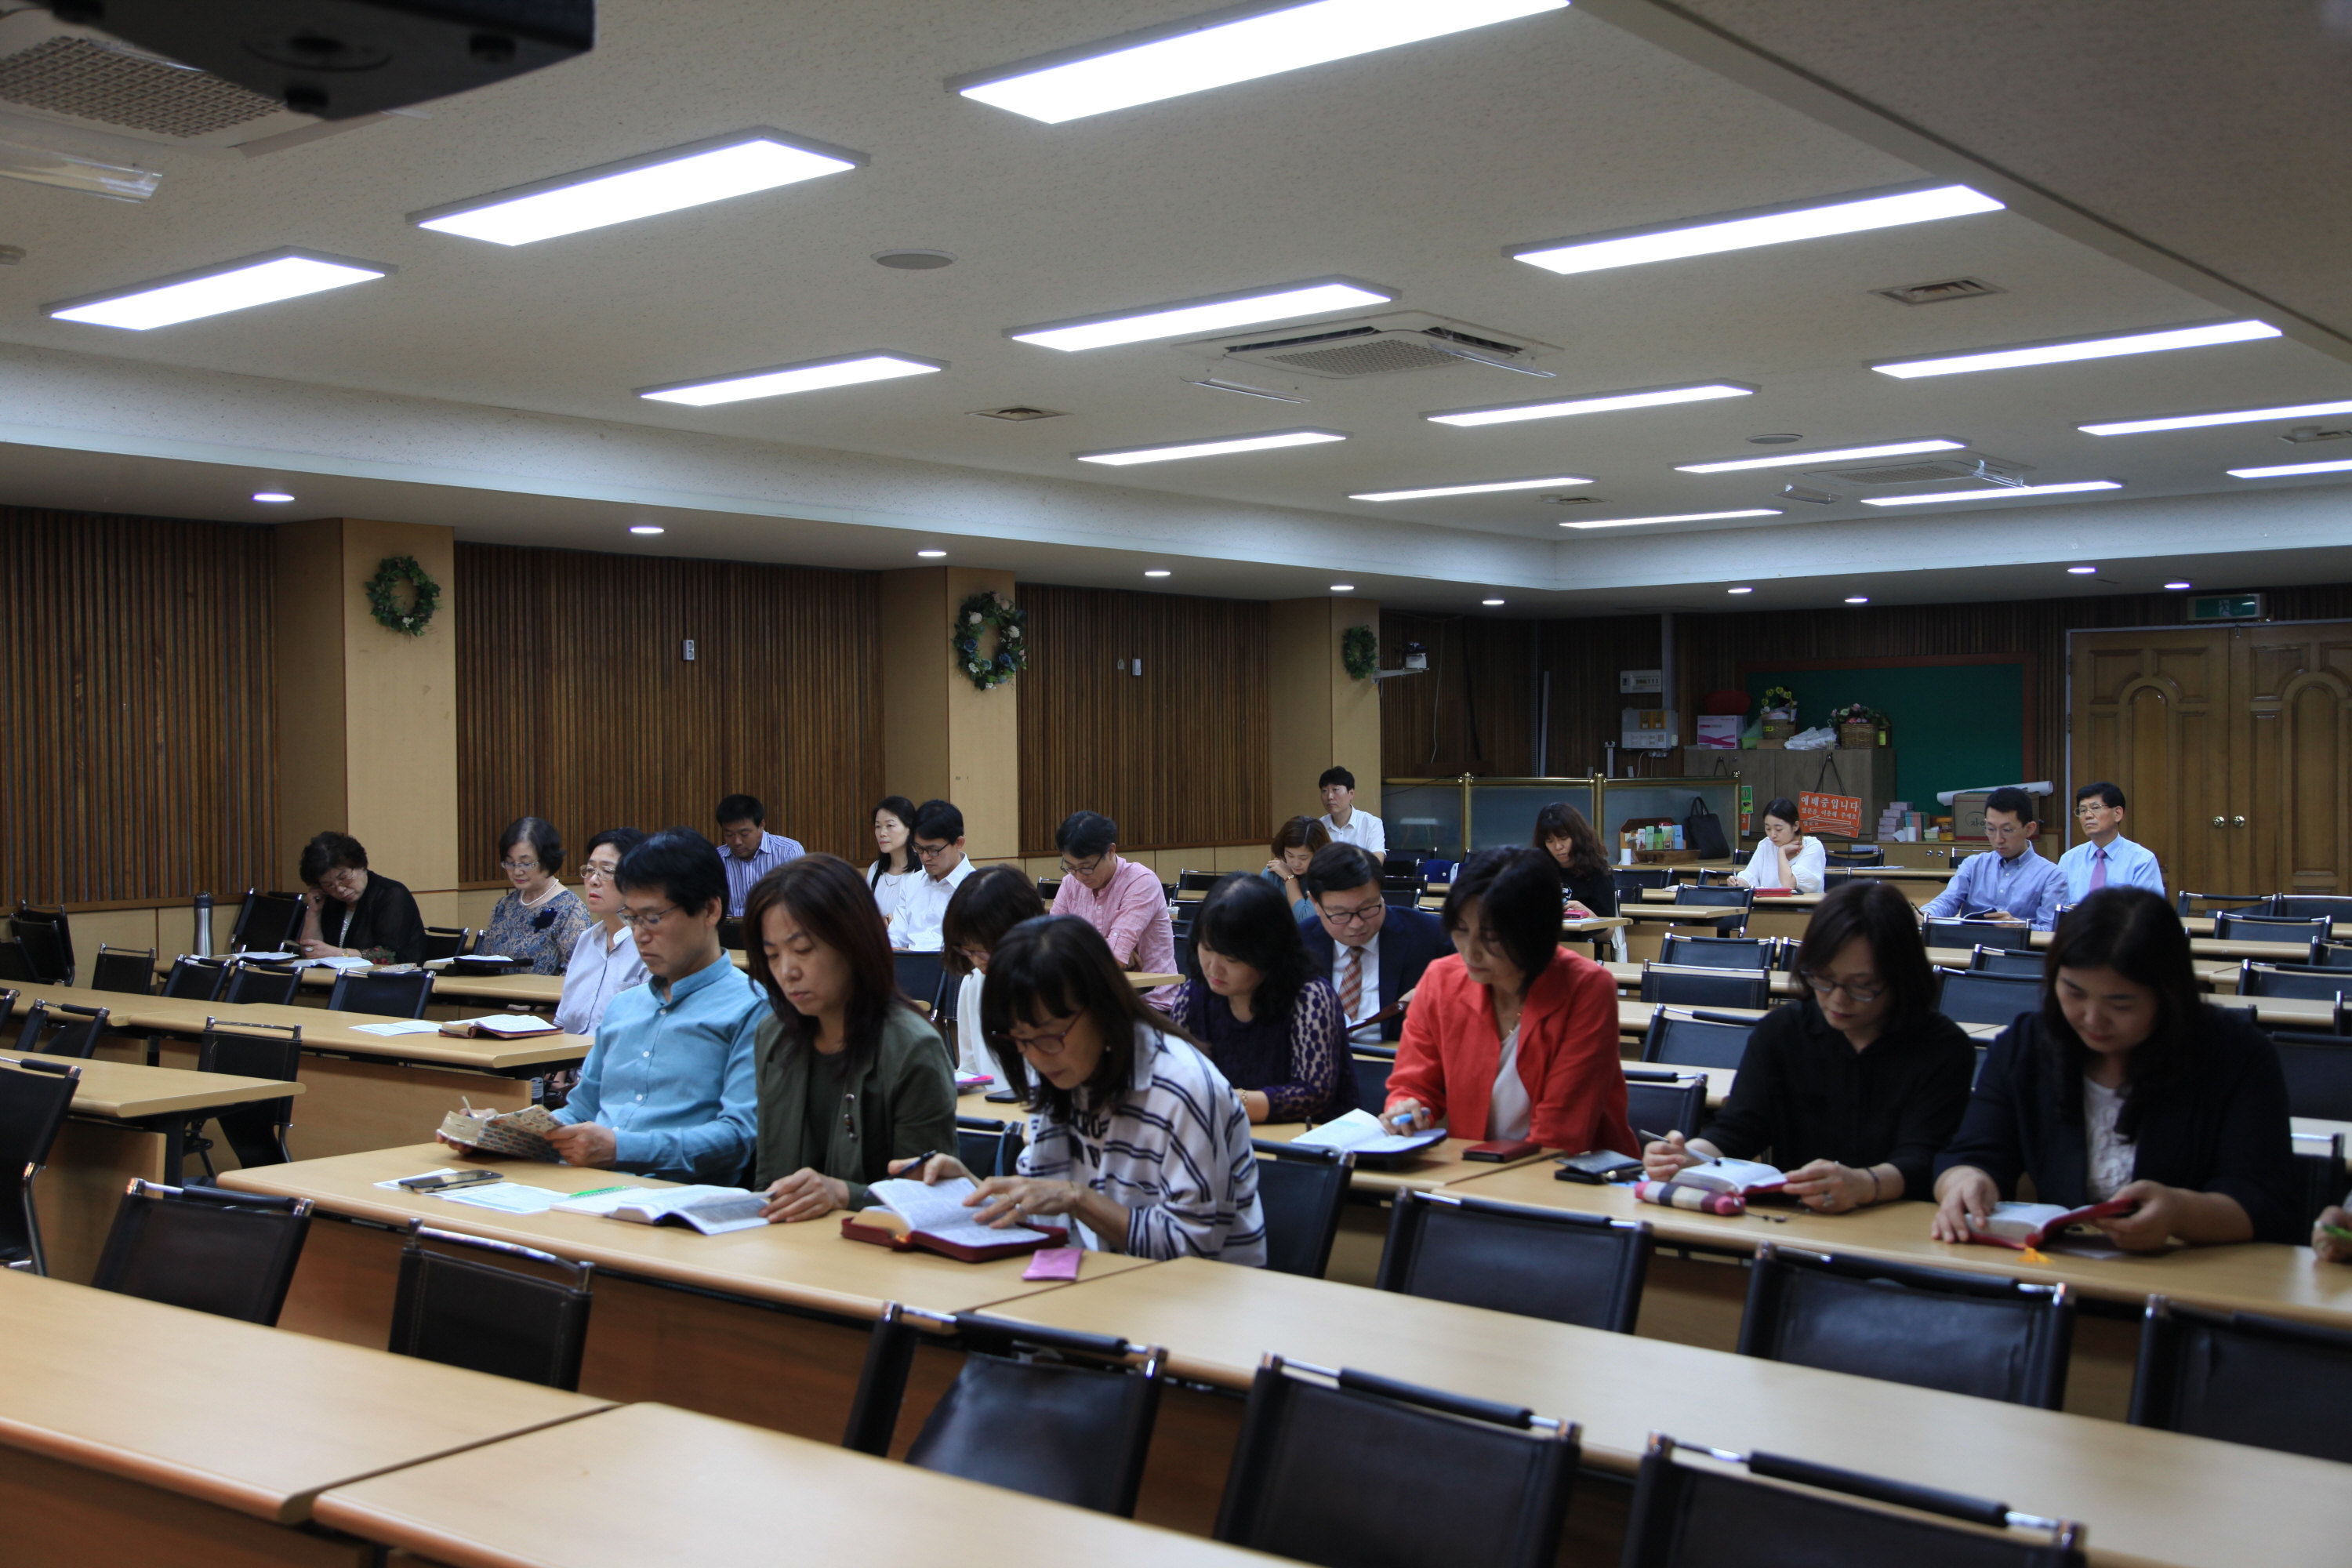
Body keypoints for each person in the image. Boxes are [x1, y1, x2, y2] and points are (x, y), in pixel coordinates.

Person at [1932, 887, 2300, 1250]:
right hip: (2063, 1268)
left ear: (2169, 995)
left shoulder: (2236, 1054)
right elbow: (1974, 1152)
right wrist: (1965, 1180)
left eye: (2121, 1004)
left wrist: (2180, 1213)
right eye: (2074, 993)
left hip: (2196, 1271)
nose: (2093, 1019)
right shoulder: (2028, 1044)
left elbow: (2264, 1202)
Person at [910, 915, 1265, 1263]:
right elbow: (1043, 1203)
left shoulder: (1181, 1088)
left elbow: (1193, 1246)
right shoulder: (1059, 1071)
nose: (1036, 1056)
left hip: (1198, 1291)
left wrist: (1078, 1200)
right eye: (1019, 1039)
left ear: (1102, 1008)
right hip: (1105, 1278)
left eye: (1049, 1035)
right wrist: (971, 1190)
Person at [1642, 881, 1976, 1212]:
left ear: (1901, 977)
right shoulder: (1783, 1032)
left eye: (1862, 986)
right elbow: (1740, 1128)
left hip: (1903, 1220)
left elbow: (1925, 1158)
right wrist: (1690, 1157)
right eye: (1824, 979)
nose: (1838, 999)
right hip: (1802, 1218)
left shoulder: (1942, 1048)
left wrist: (1864, 1184)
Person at [746, 854, 960, 1222]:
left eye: (803, 950)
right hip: (786, 1242)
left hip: (875, 1248)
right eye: (772, 955)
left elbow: (929, 1197)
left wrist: (844, 1194)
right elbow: (768, 1179)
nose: (787, 971)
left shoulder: (911, 1046)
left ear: (853, 942)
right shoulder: (774, 1035)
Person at [542, 829, 761, 1184]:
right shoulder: (624, 1007)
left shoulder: (751, 1009)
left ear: (709, 910)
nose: (640, 935)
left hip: (675, 1199)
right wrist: (510, 1132)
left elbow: (738, 1138)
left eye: (653, 917)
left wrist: (622, 1149)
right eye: (632, 918)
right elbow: (581, 1111)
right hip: (588, 1188)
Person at [1385, 847, 1635, 1155]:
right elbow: (1412, 1083)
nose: (1471, 952)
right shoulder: (1440, 979)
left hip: (1573, 1170)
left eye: (1491, 937)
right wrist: (1407, 1106)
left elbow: (1562, 1131)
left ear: (1536, 932)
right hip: (1475, 1165)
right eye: (1461, 930)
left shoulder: (1586, 988)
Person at [1159, 873, 1355, 1123]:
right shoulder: (1193, 996)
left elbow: (1313, 1095)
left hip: (1310, 1139)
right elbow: (1176, 1078)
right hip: (1220, 1133)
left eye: (1232, 959)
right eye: (1207, 948)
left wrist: (1227, 1101)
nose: (1214, 969)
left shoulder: (1310, 998)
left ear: (1268, 952)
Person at [1297, 844, 1450, 1044]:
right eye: (1341, 913)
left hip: (1394, 1058)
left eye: (1368, 908)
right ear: (1315, 903)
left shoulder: (1431, 935)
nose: (1356, 924)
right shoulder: (1297, 943)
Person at [942, 864, 1047, 1078]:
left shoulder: (1054, 983)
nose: (976, 961)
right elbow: (971, 1069)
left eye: (984, 950)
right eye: (967, 950)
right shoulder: (974, 982)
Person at [1047, 811, 1176, 976]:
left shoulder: (1141, 882)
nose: (1079, 877)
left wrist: (1110, 952)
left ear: (1110, 850)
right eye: (1071, 867)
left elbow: (1114, 958)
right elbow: (1050, 946)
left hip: (1149, 989)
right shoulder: (1070, 884)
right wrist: (1104, 947)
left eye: (1087, 867)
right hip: (1090, 988)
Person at [1918, 786, 2063, 928]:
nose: (1998, 839)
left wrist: (2020, 926)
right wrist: (1926, 914)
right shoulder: (1973, 865)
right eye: (1991, 829)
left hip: (2018, 943)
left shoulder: (2051, 875)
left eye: (2007, 830)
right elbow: (1947, 900)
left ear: (2030, 829)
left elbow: (2051, 929)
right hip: (1970, 941)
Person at [555, 827, 649, 1036]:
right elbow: (561, 1021)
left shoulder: (651, 945)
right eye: (590, 870)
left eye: (606, 871)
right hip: (569, 1055)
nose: (593, 880)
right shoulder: (586, 940)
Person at [477, 815, 591, 975]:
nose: (517, 871)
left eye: (526, 863)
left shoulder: (570, 909)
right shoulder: (504, 905)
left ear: (547, 861)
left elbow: (578, 974)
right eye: (510, 863)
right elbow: (485, 962)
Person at [295, 831, 426, 965]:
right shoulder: (329, 898)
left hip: (390, 976)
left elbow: (390, 956)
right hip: (337, 976)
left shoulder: (392, 894)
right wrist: (314, 912)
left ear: (360, 865)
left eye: (344, 878)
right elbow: (310, 953)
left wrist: (338, 953)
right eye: (328, 885)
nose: (340, 889)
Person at [2055, 781, 2165, 904]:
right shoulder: (2069, 860)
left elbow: (2149, 910)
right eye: (2083, 810)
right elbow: (2057, 907)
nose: (2088, 815)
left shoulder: (2142, 860)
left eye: (2095, 808)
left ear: (2117, 814)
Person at [892, 798, 975, 951]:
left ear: (958, 843)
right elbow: (894, 938)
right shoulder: (913, 882)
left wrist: (915, 958)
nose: (925, 857)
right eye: (919, 849)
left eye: (933, 850)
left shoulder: (977, 890)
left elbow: (972, 952)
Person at [716, 793, 805, 918]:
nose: (737, 842)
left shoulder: (788, 851)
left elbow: (799, 902)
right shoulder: (716, 858)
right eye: (729, 835)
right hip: (729, 927)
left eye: (744, 834)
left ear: (761, 825)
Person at [1533, 800, 1616, 917]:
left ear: (1578, 837)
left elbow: (1609, 927)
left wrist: (1585, 912)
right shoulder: (1539, 872)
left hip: (1586, 929)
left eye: (1564, 838)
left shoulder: (1599, 873)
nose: (1558, 847)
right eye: (1550, 841)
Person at [1727, 797, 1826, 893]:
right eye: (1768, 829)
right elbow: (1751, 875)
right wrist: (1739, 882)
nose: (1772, 835)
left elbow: (1788, 885)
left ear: (1795, 826)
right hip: (1766, 903)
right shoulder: (1766, 844)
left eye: (1779, 829)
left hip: (1803, 904)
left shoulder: (1813, 847)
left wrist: (1781, 852)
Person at [867, 795, 922, 936]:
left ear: (909, 828)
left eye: (890, 826)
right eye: (878, 826)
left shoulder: (923, 871)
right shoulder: (875, 869)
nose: (882, 833)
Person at [1261, 815, 1330, 923]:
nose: (1295, 864)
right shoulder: (1273, 872)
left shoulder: (1326, 876)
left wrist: (1290, 879)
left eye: (1303, 858)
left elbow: (1304, 921)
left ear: (1319, 853)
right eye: (1290, 855)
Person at [1316, 766, 1385, 864]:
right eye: (1325, 791)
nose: (1330, 797)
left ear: (1351, 793)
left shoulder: (1371, 823)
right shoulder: (1318, 827)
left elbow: (1376, 862)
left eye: (1336, 790)